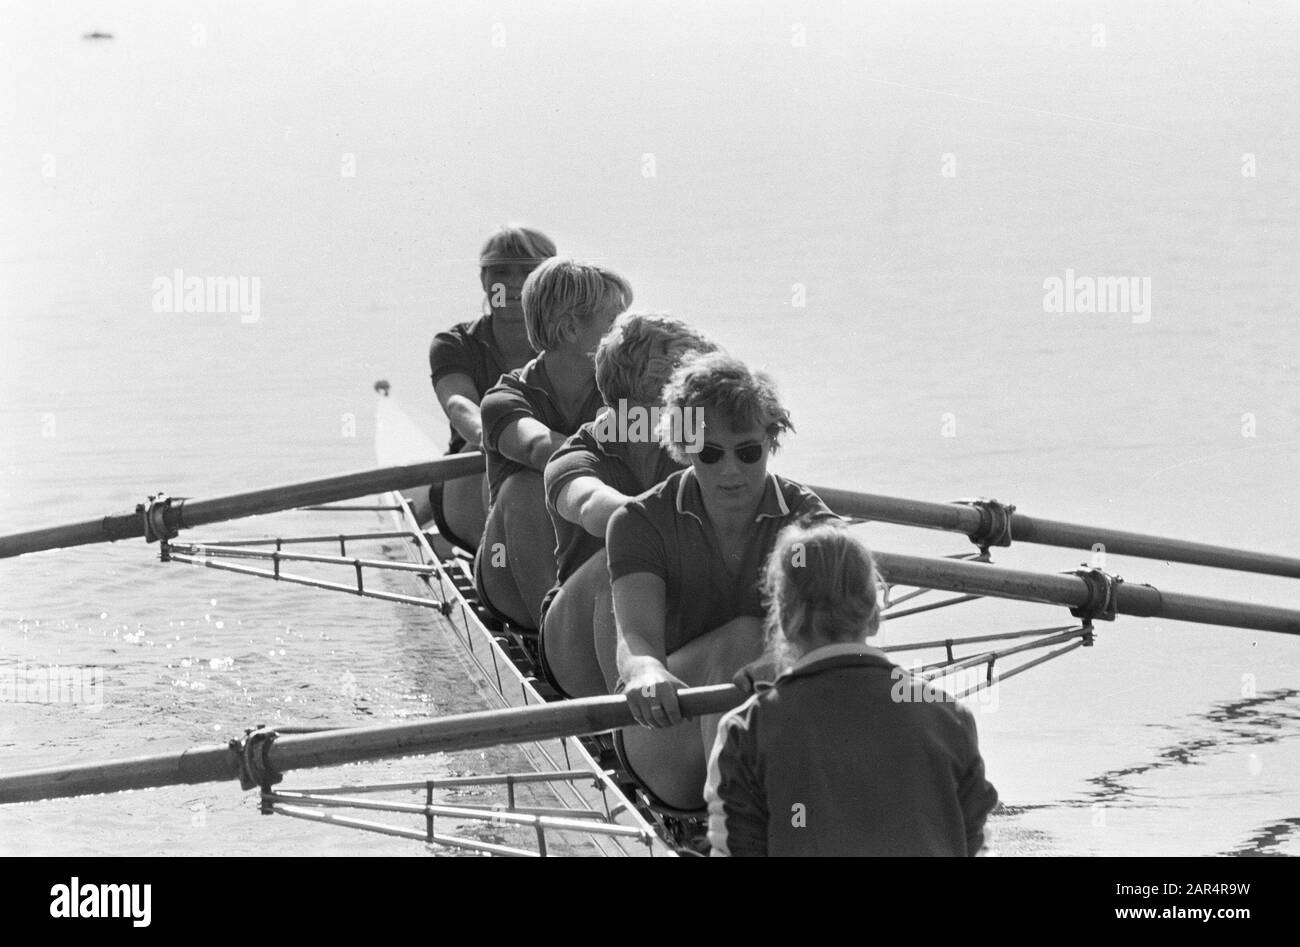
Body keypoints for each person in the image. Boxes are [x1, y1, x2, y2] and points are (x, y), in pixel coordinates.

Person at [605, 352, 838, 810]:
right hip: (666, 725)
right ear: (684, 446)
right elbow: (636, 636)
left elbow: (848, 627)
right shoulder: (638, 522)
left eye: (747, 452)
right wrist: (644, 670)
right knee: (742, 638)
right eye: (710, 454)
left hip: (774, 717)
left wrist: (789, 658)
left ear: (771, 442)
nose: (730, 470)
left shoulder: (810, 523)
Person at [704, 521, 999, 856]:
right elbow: (975, 845)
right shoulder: (951, 718)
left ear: (784, 621)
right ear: (873, 616)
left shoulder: (746, 731)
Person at [539, 314, 717, 698]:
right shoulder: (576, 457)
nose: (701, 408)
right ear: (645, 399)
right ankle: (629, 729)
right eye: (689, 394)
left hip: (667, 623)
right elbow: (593, 506)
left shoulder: (699, 447)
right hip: (575, 643)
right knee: (622, 550)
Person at [474, 258, 633, 630]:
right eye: (616, 323)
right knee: (525, 485)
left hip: (584, 550)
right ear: (570, 328)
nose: (628, 334)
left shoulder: (623, 396)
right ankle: (550, 633)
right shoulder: (504, 400)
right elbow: (537, 450)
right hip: (508, 572)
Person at [423, 225, 557, 552]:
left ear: (551, 281)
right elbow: (459, 405)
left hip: (551, 458)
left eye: (528, 272)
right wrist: (496, 438)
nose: (513, 283)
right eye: (501, 272)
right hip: (474, 467)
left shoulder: (573, 342)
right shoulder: (454, 343)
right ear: (485, 281)